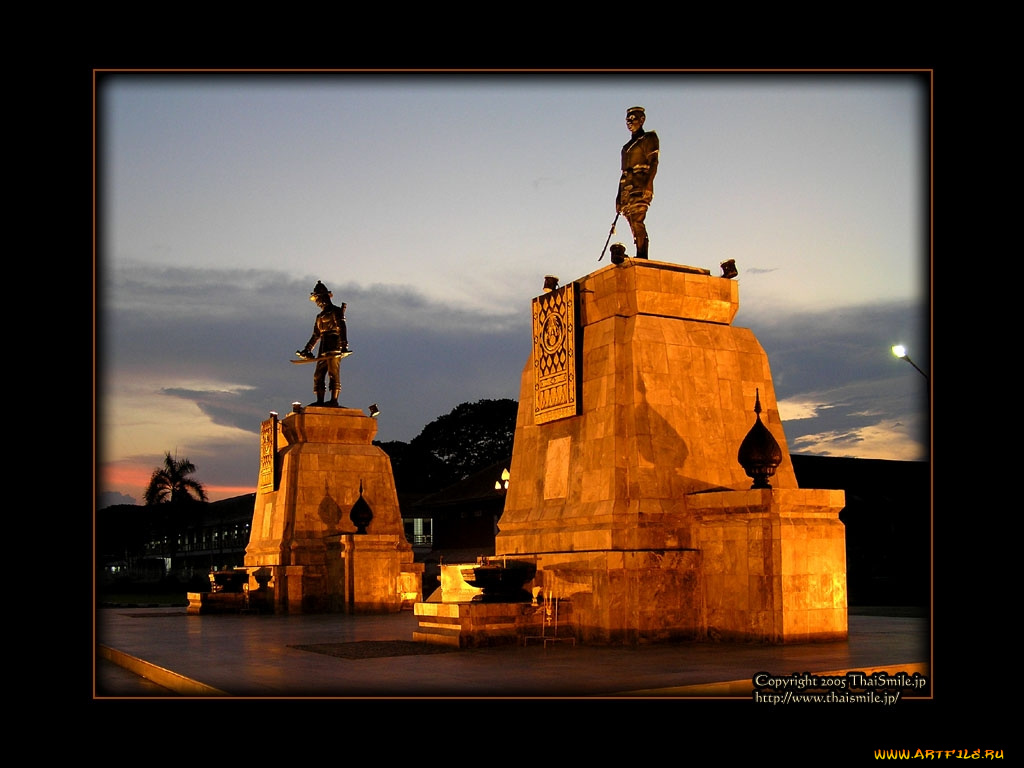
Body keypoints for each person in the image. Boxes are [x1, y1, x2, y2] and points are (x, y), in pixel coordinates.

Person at [296, 280, 350, 406]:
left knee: (333, 373)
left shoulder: (336, 311)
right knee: (318, 375)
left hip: (334, 344)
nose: (317, 303)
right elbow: (316, 335)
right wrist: (307, 349)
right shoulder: (319, 316)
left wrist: (344, 345)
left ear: (324, 297)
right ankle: (320, 400)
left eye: (318, 299)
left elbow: (342, 327)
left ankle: (334, 400)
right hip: (323, 346)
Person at [616, 106, 659, 260]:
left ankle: (642, 254)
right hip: (627, 188)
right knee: (632, 221)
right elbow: (623, 173)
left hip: (640, 183)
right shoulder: (626, 148)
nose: (630, 121)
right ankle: (639, 251)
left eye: (634, 118)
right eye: (628, 119)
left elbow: (654, 162)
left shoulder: (648, 138)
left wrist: (649, 184)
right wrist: (618, 197)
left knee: (638, 220)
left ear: (642, 120)